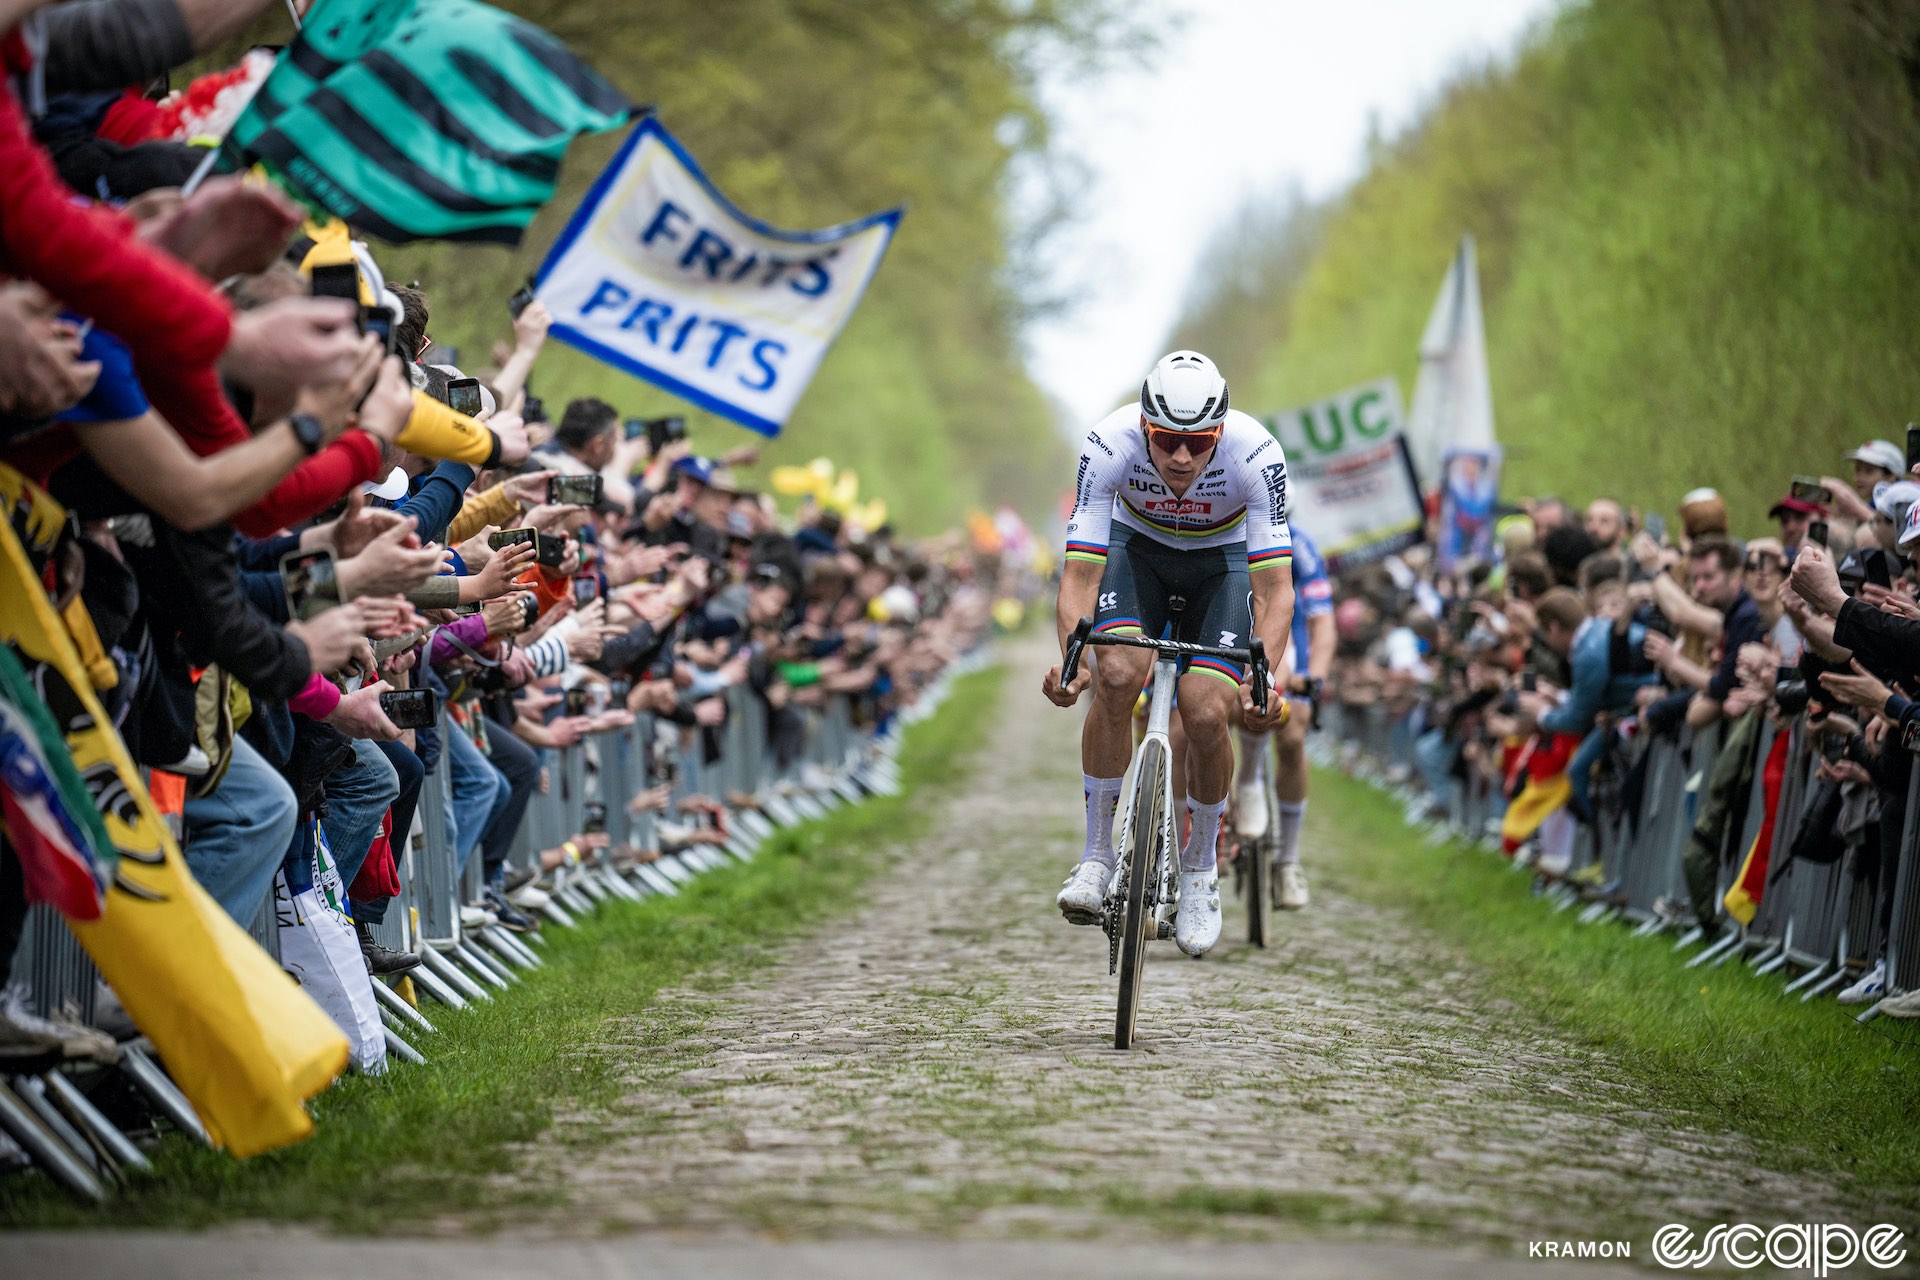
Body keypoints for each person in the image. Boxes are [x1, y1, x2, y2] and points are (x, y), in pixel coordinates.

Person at [1043, 350, 1293, 957]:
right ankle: (1097, 857)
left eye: (1200, 442)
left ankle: (1201, 866)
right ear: (1144, 426)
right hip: (1138, 555)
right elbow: (1078, 574)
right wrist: (1074, 662)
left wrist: (1264, 684)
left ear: (1222, 431)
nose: (1182, 457)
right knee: (1117, 673)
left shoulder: (1257, 455)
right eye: (1166, 441)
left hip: (1222, 564)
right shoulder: (1108, 443)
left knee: (1208, 712)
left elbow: (1274, 590)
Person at [1234, 522, 1334, 910]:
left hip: (1290, 644)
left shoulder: (1302, 544)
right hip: (1236, 633)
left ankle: (1288, 860)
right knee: (1204, 718)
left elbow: (1322, 621)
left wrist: (1317, 676)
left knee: (1292, 737)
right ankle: (1219, 811)